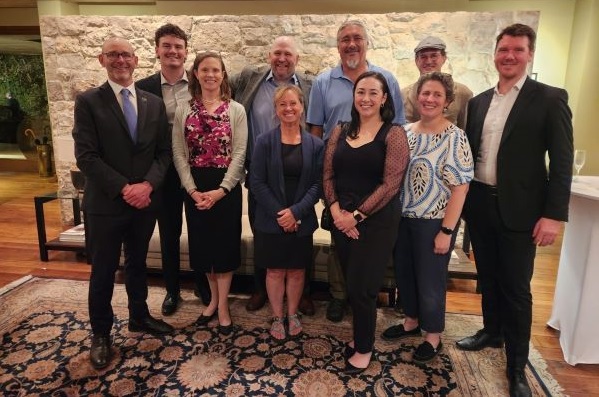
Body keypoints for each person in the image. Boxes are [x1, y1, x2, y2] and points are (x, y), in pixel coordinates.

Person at [455, 24, 573, 397]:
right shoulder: (479, 102)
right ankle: (491, 331)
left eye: (517, 50)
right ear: (495, 53)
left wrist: (554, 214)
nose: (509, 56)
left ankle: (517, 367)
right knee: (487, 277)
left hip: (522, 212)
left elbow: (563, 160)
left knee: (517, 289)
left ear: (529, 54)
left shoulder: (550, 98)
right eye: (504, 49)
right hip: (480, 205)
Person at [73, 37, 173, 370]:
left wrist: (147, 185)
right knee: (103, 270)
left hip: (144, 202)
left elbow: (163, 153)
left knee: (137, 263)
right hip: (105, 204)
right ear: (102, 59)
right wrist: (124, 188)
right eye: (113, 55)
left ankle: (139, 316)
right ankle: (101, 334)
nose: (121, 60)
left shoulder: (152, 103)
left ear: (136, 60)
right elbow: (86, 157)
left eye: (126, 55)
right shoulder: (89, 101)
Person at [307, 20, 406, 322]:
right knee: (340, 244)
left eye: (357, 38)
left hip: (375, 179)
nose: (351, 44)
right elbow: (314, 130)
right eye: (345, 39)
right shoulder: (323, 82)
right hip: (337, 176)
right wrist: (327, 189)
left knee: (369, 248)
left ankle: (362, 300)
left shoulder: (386, 79)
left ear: (366, 43)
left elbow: (396, 127)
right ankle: (339, 296)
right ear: (338, 45)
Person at [381, 72, 474, 363]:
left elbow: (461, 187)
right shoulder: (405, 132)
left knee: (431, 280)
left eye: (437, 95)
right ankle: (410, 321)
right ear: (417, 96)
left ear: (447, 101)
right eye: (425, 93)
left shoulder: (455, 136)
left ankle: (432, 336)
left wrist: (447, 231)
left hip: (434, 221)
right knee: (405, 273)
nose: (429, 99)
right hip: (403, 218)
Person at [323, 71, 409, 373]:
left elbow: (391, 185)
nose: (367, 98)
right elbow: (328, 174)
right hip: (341, 218)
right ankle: (361, 338)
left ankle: (364, 349)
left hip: (375, 222)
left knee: (364, 288)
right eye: (361, 92)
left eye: (374, 93)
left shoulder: (394, 134)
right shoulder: (340, 130)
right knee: (350, 283)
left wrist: (356, 216)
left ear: (384, 98)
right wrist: (335, 211)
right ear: (354, 96)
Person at [230, 36, 315, 315]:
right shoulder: (248, 78)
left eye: (288, 54)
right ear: (269, 55)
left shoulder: (311, 86)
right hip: (260, 172)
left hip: (298, 171)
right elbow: (215, 86)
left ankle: (301, 296)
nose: (282, 58)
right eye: (277, 53)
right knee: (262, 233)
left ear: (297, 59)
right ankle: (259, 288)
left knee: (300, 239)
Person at [136, 23, 211, 316]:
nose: (173, 52)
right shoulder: (143, 88)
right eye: (167, 46)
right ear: (157, 50)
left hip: (197, 170)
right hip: (163, 173)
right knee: (169, 232)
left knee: (200, 232)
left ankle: (204, 287)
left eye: (178, 47)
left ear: (186, 52)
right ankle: (172, 290)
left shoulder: (199, 86)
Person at [172, 52, 247, 335]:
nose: (211, 75)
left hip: (225, 188)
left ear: (223, 75)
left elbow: (240, 152)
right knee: (203, 249)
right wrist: (191, 189)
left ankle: (224, 306)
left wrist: (221, 190)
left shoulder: (236, 110)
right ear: (196, 74)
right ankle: (213, 301)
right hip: (195, 186)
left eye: (216, 70)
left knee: (224, 249)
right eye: (205, 70)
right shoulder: (184, 109)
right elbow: (179, 152)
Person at [250, 85, 324, 340]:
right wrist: (281, 214)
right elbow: (257, 182)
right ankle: (276, 315)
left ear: (302, 107)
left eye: (293, 103)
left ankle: (292, 314)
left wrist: (296, 213)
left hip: (301, 220)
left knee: (296, 271)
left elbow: (318, 184)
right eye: (283, 104)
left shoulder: (315, 144)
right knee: (274, 271)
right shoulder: (263, 142)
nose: (289, 108)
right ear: (276, 109)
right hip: (271, 220)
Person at [402, 36, 473, 130]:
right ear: (416, 61)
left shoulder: (462, 93)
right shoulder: (403, 95)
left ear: (444, 58)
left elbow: (466, 129)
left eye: (434, 56)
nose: (428, 61)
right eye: (423, 57)